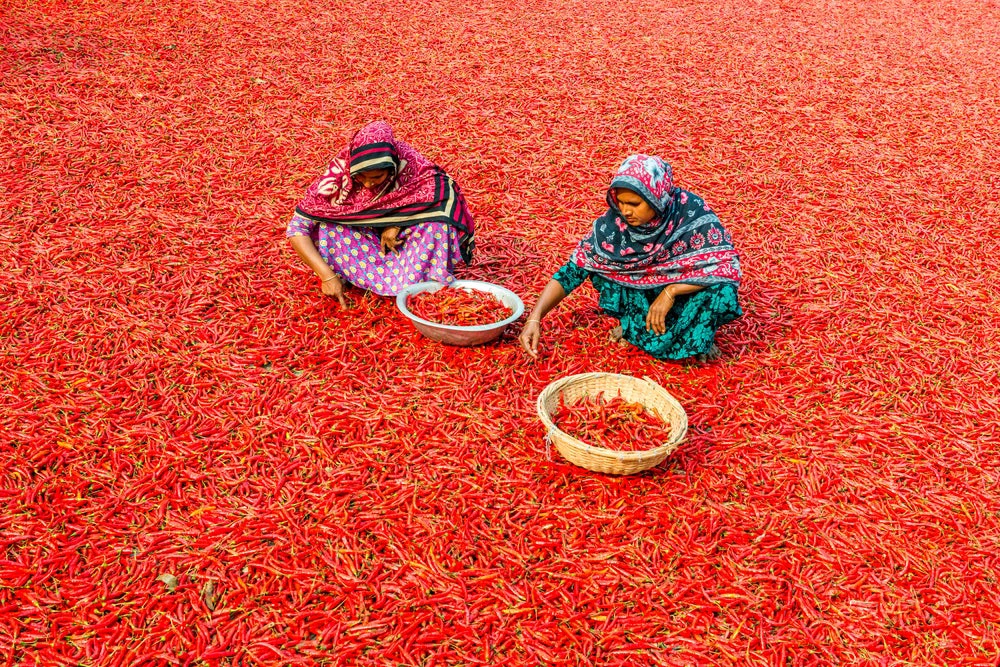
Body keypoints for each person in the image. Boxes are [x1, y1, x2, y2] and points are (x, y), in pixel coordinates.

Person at [519, 154, 742, 362]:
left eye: (635, 204)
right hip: (644, 294)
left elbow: (724, 266)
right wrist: (535, 317)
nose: (625, 211)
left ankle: (700, 336)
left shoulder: (689, 212)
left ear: (657, 198)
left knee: (721, 289)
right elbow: (572, 271)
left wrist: (671, 291)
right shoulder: (613, 226)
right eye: (621, 202)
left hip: (681, 294)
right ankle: (634, 326)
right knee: (599, 267)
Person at [287, 121, 475, 306]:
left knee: (438, 223)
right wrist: (326, 276)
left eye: (377, 177)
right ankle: (366, 278)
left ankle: (421, 279)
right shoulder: (339, 173)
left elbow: (446, 194)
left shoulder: (410, 164)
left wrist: (395, 225)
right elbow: (297, 229)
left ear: (393, 168)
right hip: (361, 242)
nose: (368, 184)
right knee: (328, 226)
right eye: (360, 177)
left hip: (401, 243)